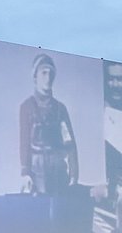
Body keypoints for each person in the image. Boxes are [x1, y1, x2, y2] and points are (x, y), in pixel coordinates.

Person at [20, 53, 79, 195]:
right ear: (35, 77)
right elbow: (24, 142)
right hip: (37, 169)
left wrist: (73, 172)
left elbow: (69, 143)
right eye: (43, 73)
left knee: (61, 212)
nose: (48, 77)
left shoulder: (60, 109)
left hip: (58, 169)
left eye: (51, 73)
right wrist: (25, 172)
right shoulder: (27, 107)